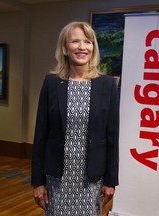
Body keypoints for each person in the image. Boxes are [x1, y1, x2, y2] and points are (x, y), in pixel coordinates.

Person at [31, 21, 119, 216]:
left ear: (93, 48)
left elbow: (112, 136)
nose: (81, 47)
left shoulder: (107, 85)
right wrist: (37, 182)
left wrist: (111, 181)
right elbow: (40, 135)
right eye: (75, 41)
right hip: (58, 178)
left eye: (87, 42)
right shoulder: (51, 83)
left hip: (92, 179)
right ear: (65, 47)